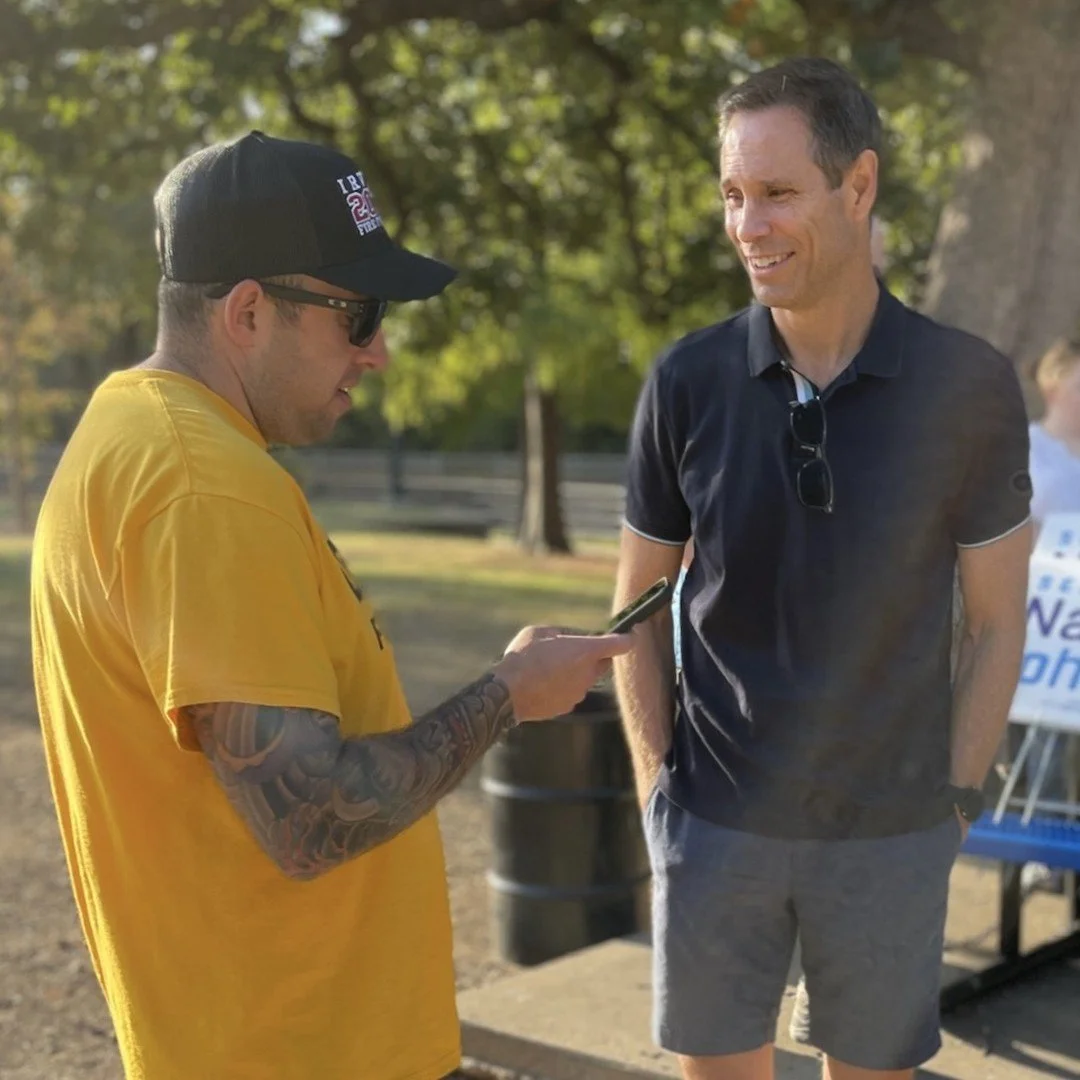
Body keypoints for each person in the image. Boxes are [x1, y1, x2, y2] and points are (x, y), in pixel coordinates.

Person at [29, 130, 632, 1080]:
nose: (380, 351)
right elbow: (308, 818)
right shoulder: (207, 488)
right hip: (296, 1051)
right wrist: (509, 695)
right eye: (359, 313)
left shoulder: (129, 432)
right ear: (248, 312)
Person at [612, 58, 1031, 1080]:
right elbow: (634, 611)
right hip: (714, 828)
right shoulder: (686, 381)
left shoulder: (967, 386)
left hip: (891, 835)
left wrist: (955, 805)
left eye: (779, 192)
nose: (748, 224)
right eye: (732, 195)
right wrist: (660, 797)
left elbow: (995, 623)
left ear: (860, 187)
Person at [1020, 335, 1080, 890]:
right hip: (1048, 622)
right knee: (1045, 730)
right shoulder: (1029, 448)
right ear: (1055, 383)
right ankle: (1045, 844)